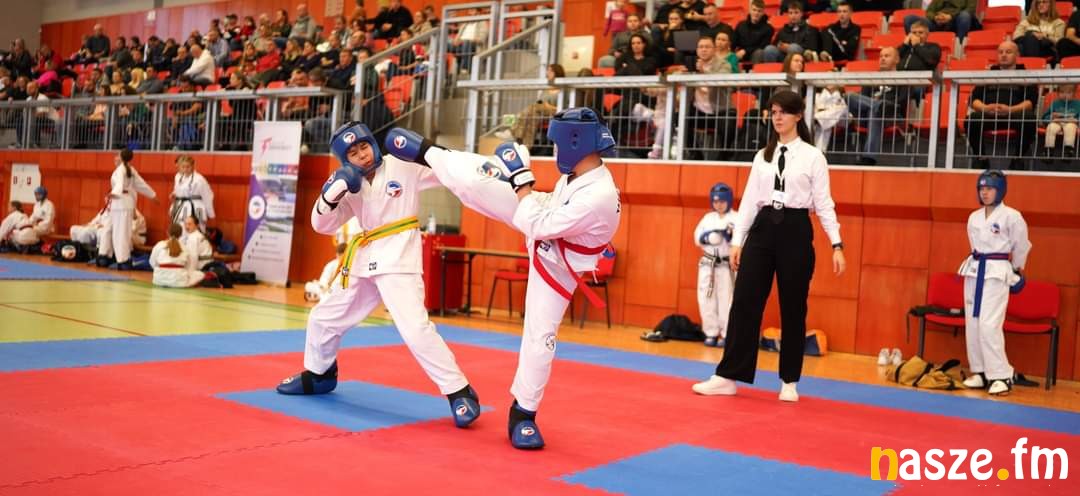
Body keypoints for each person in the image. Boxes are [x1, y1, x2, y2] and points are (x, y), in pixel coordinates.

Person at [383, 106, 622, 449]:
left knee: (540, 339)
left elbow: (534, 224)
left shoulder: (599, 195)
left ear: (575, 142)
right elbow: (538, 214)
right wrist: (513, 180)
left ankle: (523, 414)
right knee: (482, 180)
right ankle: (429, 152)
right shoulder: (582, 171)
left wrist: (521, 179)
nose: (555, 150)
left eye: (557, 144)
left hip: (557, 262)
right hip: (547, 217)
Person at [274, 122, 482, 432]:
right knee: (323, 317)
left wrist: (427, 149)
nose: (362, 155)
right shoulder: (350, 183)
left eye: (364, 146)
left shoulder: (403, 164)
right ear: (345, 159)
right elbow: (321, 225)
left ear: (373, 143)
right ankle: (319, 375)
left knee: (415, 329)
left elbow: (447, 168)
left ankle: (459, 392)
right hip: (365, 258)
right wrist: (330, 195)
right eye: (353, 153)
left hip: (399, 258)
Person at [692, 90, 845, 403]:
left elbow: (824, 203)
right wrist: (738, 241)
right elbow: (750, 200)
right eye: (773, 112)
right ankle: (727, 376)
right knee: (744, 301)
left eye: (783, 112)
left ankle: (789, 380)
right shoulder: (762, 155)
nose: (777, 117)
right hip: (762, 229)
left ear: (798, 116)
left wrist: (836, 243)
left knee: (793, 306)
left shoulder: (813, 156)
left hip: (796, 228)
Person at [958, 171, 1031, 395]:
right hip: (974, 270)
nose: (985, 193)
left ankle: (1001, 375)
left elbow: (1021, 245)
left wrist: (1016, 269)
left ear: (1000, 190)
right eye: (982, 189)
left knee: (989, 325)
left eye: (989, 189)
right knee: (973, 323)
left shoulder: (1012, 216)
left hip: (996, 272)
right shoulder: (974, 217)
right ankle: (980, 371)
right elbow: (974, 245)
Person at [964, 41, 1038, 168]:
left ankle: (1018, 158)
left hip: (1015, 115)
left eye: (1008, 52)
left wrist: (1010, 109)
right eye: (1000, 52)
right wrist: (986, 108)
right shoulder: (988, 74)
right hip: (990, 114)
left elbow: (1030, 102)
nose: (1003, 55)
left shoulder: (1026, 75)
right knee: (972, 120)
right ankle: (981, 158)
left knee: (1029, 119)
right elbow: (974, 100)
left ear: (1017, 55)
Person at [846, 47, 912, 165]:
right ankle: (879, 105)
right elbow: (863, 98)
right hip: (868, 115)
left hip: (892, 115)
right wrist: (876, 103)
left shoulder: (903, 78)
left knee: (875, 111)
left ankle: (869, 158)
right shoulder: (872, 78)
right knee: (849, 96)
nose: (882, 59)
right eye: (881, 56)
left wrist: (884, 104)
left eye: (887, 56)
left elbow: (902, 101)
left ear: (897, 59)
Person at [695, 183, 738, 348]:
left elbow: (742, 239)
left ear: (729, 201)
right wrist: (707, 237)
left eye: (722, 202)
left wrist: (729, 237)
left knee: (727, 300)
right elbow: (697, 238)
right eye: (716, 202)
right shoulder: (708, 218)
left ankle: (727, 334)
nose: (718, 205)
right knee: (706, 298)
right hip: (708, 264)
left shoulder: (736, 218)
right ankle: (710, 332)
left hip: (727, 265)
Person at [100, 148, 158, 269]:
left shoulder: (122, 170)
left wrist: (114, 193)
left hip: (121, 202)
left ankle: (123, 260)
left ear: (121, 157)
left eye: (117, 155)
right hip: (119, 203)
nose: (115, 157)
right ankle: (104, 255)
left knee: (121, 233)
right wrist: (152, 195)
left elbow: (120, 184)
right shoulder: (129, 169)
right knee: (109, 229)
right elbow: (141, 184)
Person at [150, 223, 205, 288]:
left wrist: (162, 270)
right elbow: (188, 266)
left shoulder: (159, 245)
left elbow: (152, 263)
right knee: (200, 274)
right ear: (181, 234)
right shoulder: (185, 248)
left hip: (159, 280)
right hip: (179, 282)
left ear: (167, 232)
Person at [169, 155, 216, 230]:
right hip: (180, 207)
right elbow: (179, 189)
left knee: (197, 231)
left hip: (196, 207)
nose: (185, 169)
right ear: (179, 167)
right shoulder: (178, 177)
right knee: (180, 230)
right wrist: (174, 193)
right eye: (183, 167)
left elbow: (207, 196)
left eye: (188, 167)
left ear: (193, 166)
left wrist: (211, 214)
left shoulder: (199, 179)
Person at [1042, 83, 1080, 154]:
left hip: (1071, 122)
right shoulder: (1055, 103)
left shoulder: (1078, 104)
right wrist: (1051, 117)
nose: (1065, 95)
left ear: (1074, 93)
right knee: (1051, 127)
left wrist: (1077, 120)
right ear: (1058, 93)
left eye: (1069, 92)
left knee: (1070, 127)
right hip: (1057, 122)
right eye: (1062, 92)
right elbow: (1044, 118)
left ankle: (1068, 149)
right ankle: (1049, 149)